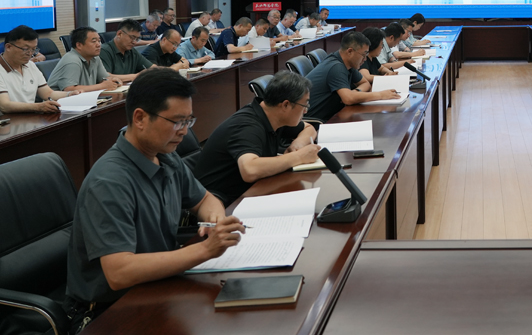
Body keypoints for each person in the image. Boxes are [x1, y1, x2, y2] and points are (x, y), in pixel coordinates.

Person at [64, 69, 244, 325]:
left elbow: (204, 200)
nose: (184, 131)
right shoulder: (109, 181)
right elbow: (119, 272)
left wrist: (216, 221)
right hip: (109, 311)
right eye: (177, 122)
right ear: (140, 118)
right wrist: (205, 249)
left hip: (157, 287)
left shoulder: (166, 157)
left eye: (189, 121)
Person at [193, 71, 320, 206]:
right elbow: (250, 170)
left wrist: (298, 144)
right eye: (304, 105)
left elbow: (309, 128)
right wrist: (299, 157)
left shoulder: (273, 115)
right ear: (286, 105)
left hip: (250, 193)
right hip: (219, 205)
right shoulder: (247, 126)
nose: (306, 111)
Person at [305, 31, 400, 122]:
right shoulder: (336, 67)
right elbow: (348, 99)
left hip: (332, 115)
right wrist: (381, 95)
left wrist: (356, 92)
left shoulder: (348, 64)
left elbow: (365, 83)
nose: (365, 59)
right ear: (350, 51)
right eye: (363, 55)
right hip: (315, 121)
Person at [0, 25, 75, 113]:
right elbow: (4, 105)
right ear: (8, 47)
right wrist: (38, 107)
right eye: (25, 49)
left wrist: (69, 94)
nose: (30, 54)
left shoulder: (30, 65)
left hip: (30, 117)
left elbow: (48, 93)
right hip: (8, 120)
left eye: (33, 49)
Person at [47, 28, 121, 92]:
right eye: (94, 41)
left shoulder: (95, 58)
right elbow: (69, 89)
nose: (99, 45)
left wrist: (113, 80)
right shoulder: (72, 60)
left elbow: (104, 78)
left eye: (99, 41)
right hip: (58, 102)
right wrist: (102, 86)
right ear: (79, 45)